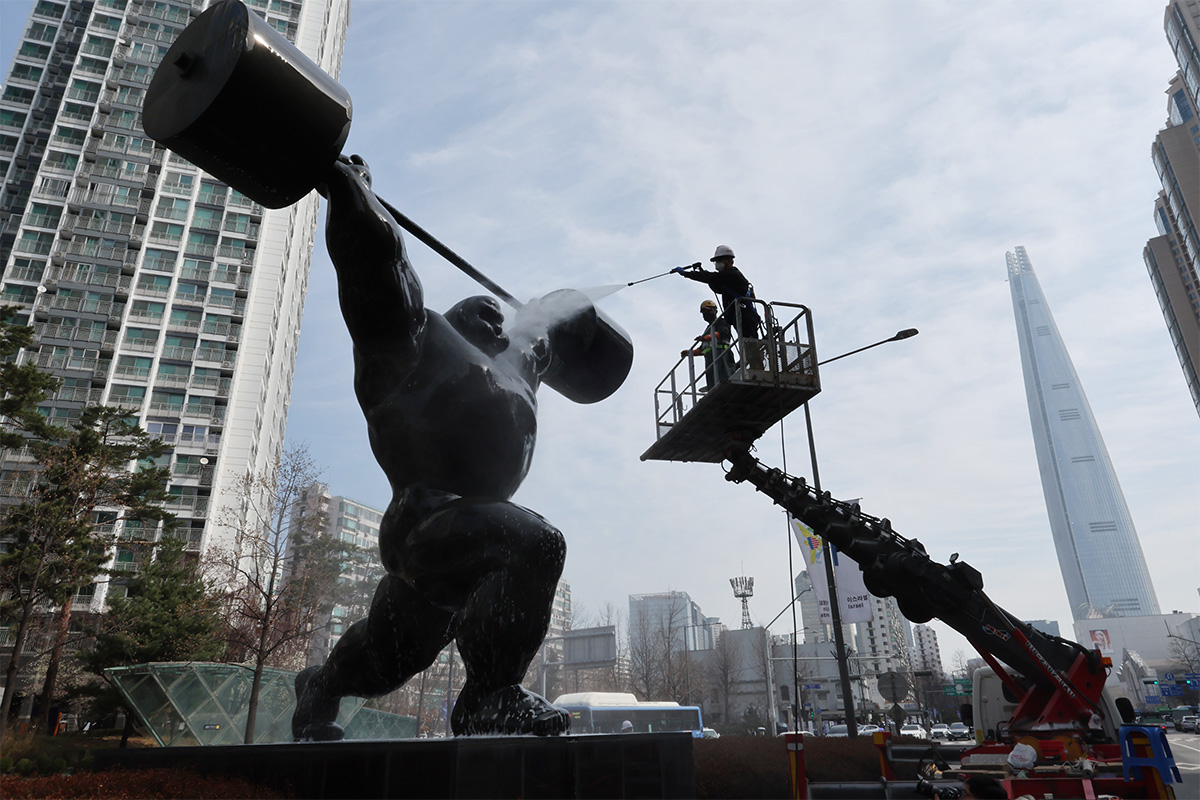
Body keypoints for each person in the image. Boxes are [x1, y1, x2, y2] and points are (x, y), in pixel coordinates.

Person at [291, 155, 586, 740]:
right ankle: (488, 697)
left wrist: (556, 324)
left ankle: (319, 687)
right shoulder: (408, 345)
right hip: (427, 518)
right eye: (477, 311)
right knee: (536, 544)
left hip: (468, 531)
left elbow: (538, 345)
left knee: (388, 657)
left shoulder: (513, 371)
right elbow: (375, 263)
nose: (493, 316)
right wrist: (351, 190)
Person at [673, 245, 763, 369]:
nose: (717, 264)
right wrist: (701, 271)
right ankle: (753, 366)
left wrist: (687, 274)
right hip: (739, 316)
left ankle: (757, 368)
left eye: (719, 261)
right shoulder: (726, 278)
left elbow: (713, 278)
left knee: (751, 343)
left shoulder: (733, 274)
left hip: (745, 315)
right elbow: (716, 286)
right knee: (747, 343)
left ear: (727, 260)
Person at [681, 299, 734, 389]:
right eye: (704, 312)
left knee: (725, 379)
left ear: (715, 311)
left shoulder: (722, 322)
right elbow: (703, 349)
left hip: (722, 356)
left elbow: (722, 332)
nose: (706, 314)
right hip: (710, 359)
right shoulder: (708, 329)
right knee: (713, 383)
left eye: (708, 311)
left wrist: (707, 337)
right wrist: (690, 353)